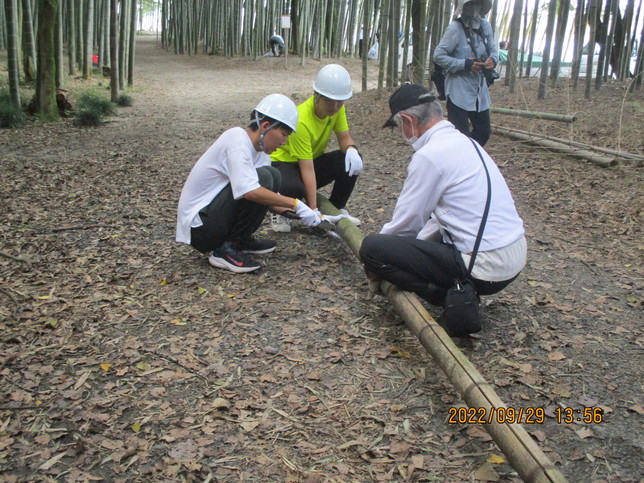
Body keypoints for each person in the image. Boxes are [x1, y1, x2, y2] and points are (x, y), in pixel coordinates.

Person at [360, 84, 526, 328]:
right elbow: (442, 219)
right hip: (514, 257)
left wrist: (374, 261)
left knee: (372, 246)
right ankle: (455, 286)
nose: (401, 134)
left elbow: (405, 226)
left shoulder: (430, 155)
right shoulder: (467, 143)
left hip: (485, 267)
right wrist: (414, 250)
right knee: (411, 242)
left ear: (407, 120)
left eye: (398, 127)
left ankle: (444, 294)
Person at [176, 94, 322, 274]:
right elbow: (250, 191)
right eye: (283, 135)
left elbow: (268, 201)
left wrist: (305, 214)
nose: (283, 142)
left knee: (272, 175)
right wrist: (295, 203)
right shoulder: (237, 139)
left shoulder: (261, 152)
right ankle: (226, 250)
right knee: (265, 178)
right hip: (199, 228)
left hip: (212, 219)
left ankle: (240, 240)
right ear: (266, 126)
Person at [270, 64, 363, 233]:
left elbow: (344, 138)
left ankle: (335, 209)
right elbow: (307, 169)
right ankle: (280, 207)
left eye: (339, 102)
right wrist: (314, 211)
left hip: (309, 161)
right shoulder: (302, 120)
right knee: (295, 189)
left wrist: (351, 149)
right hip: (283, 165)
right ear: (316, 95)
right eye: (329, 101)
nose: (334, 107)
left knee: (348, 161)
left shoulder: (337, 109)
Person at [433, 0, 498, 146]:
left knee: (483, 131)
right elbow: (438, 56)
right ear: (463, 7)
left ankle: (469, 155)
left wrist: (492, 60)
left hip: (479, 90)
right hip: (458, 89)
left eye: (477, 4)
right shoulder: (454, 28)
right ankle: (458, 160)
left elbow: (493, 49)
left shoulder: (485, 26)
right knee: (459, 136)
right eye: (470, 4)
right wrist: (465, 64)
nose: (474, 8)